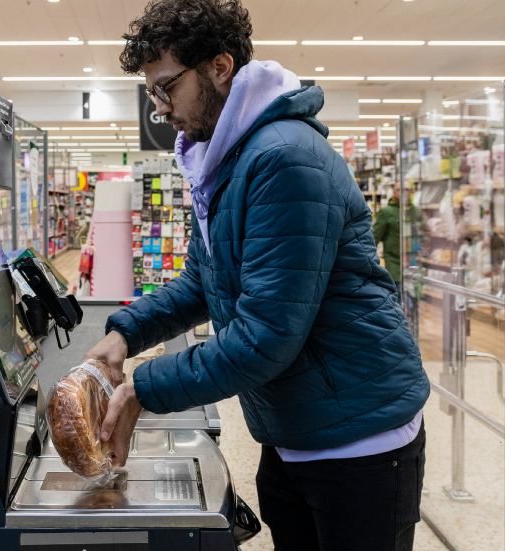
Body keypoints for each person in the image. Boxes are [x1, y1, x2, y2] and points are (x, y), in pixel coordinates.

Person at [83, 1, 430, 549]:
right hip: (296, 426)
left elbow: (265, 337)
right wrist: (125, 332)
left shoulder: (283, 158)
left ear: (219, 67)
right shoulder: (227, 160)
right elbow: (202, 280)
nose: (159, 107)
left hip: (358, 441)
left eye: (167, 87)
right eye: (153, 91)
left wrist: (142, 388)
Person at [373, 188, 403, 296]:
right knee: (397, 297)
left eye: (409, 190)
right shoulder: (386, 212)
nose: (406, 192)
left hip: (412, 264)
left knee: (413, 303)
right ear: (395, 192)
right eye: (401, 190)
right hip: (393, 264)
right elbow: (374, 237)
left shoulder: (414, 211)